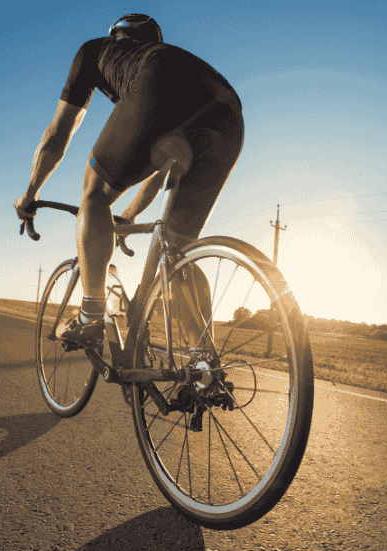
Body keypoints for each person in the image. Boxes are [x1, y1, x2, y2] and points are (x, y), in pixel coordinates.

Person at [14, 14, 244, 350]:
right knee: (179, 252)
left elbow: (57, 135)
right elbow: (167, 165)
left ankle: (91, 315)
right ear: (152, 38)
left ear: (117, 37)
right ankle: (205, 364)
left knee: (94, 193)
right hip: (227, 109)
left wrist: (30, 193)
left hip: (160, 79)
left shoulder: (95, 51)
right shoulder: (166, 54)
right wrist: (132, 213)